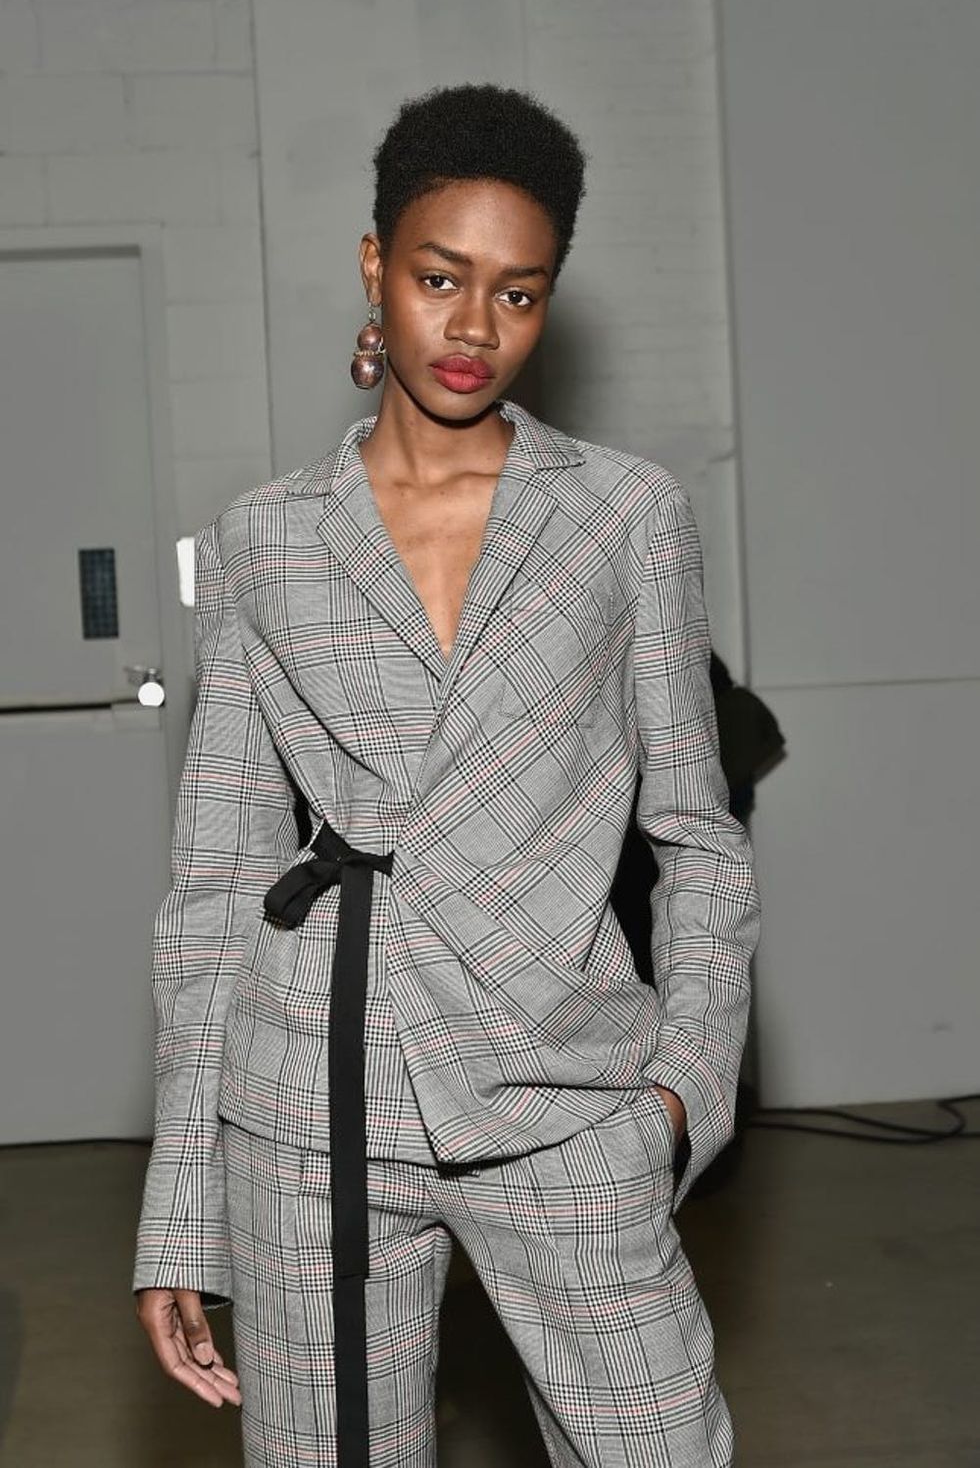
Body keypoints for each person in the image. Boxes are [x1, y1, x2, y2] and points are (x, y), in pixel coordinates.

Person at [133, 83, 760, 1468]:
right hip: (312, 1105)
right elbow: (218, 881)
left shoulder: (622, 517)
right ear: (375, 266)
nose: (475, 326)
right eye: (439, 278)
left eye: (517, 294)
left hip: (564, 1095)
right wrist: (183, 1208)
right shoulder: (264, 540)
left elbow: (697, 840)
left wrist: (676, 1099)